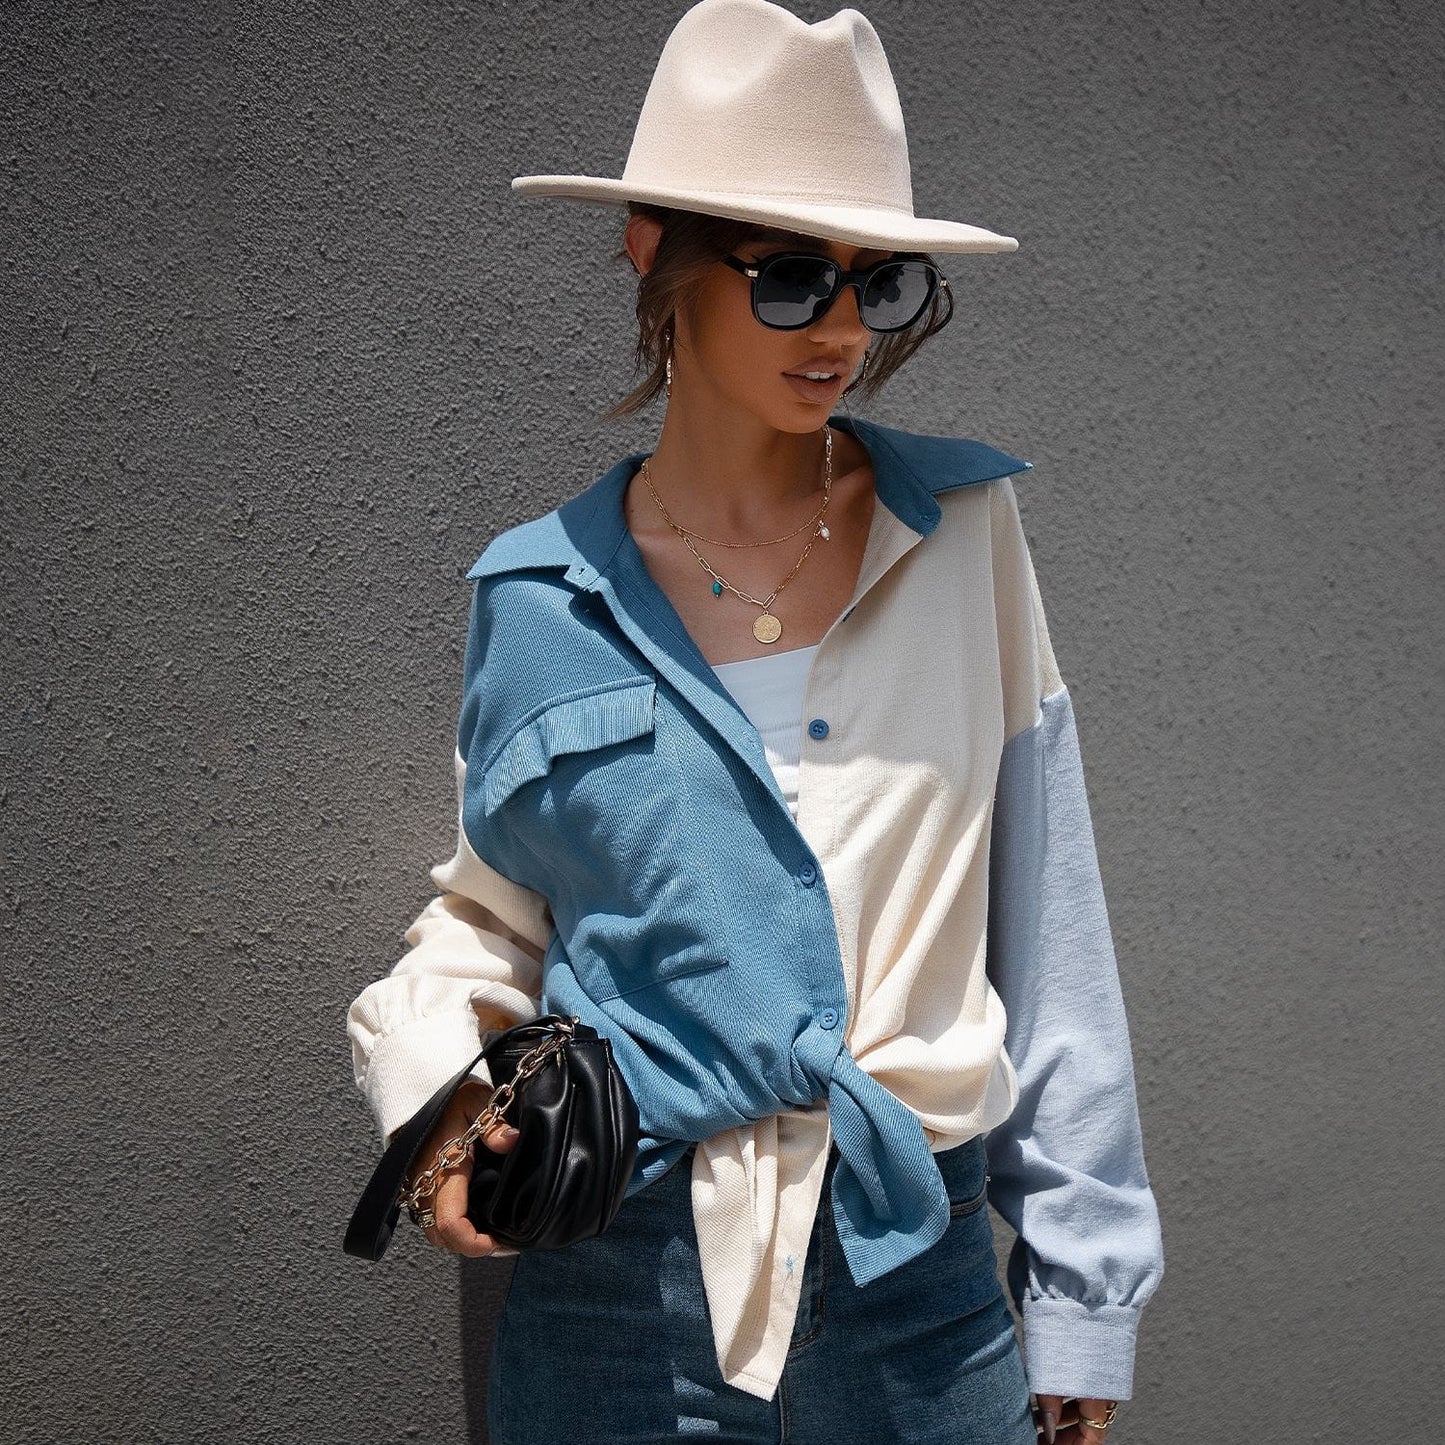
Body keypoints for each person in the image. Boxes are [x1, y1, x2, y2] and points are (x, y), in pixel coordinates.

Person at [345, 1, 1164, 1441]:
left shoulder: (962, 533)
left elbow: (1050, 925)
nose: (843, 328)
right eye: (791, 279)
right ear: (651, 250)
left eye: (881, 282)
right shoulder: (537, 595)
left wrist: (1083, 1292)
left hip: (919, 1285)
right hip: (612, 1290)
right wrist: (437, 1101)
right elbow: (490, 918)